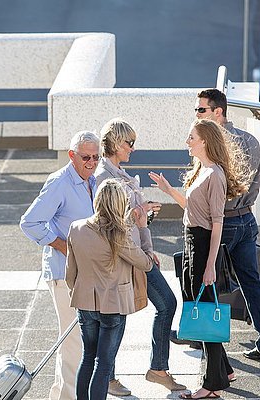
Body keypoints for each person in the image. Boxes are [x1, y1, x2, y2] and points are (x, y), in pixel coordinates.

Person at [150, 119, 251, 399]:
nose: (188, 142)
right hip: (193, 241)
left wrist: (209, 266)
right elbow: (193, 209)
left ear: (204, 140)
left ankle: (212, 386)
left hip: (204, 246)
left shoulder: (215, 175)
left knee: (204, 311)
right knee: (200, 306)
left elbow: (217, 222)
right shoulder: (202, 171)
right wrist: (169, 191)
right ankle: (225, 370)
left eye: (191, 137)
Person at [94, 117, 186, 393]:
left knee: (167, 303)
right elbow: (108, 222)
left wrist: (147, 238)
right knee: (117, 316)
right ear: (113, 143)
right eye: (128, 142)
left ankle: (157, 369)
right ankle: (109, 378)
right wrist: (138, 216)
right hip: (122, 256)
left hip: (137, 253)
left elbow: (137, 220)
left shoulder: (119, 174)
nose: (132, 148)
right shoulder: (103, 177)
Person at [194, 88, 260, 361]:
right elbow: (257, 179)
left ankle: (201, 338)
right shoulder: (251, 141)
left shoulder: (213, 144)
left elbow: (211, 190)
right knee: (252, 282)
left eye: (201, 110)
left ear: (218, 112)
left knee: (204, 278)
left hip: (222, 222)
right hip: (247, 219)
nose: (196, 115)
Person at [20, 130, 100, 400]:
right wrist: (65, 247)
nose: (91, 162)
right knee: (74, 341)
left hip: (87, 273)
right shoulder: (59, 183)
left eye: (96, 157)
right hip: (64, 274)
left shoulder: (93, 180)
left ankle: (61, 395)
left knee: (81, 340)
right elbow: (29, 223)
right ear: (71, 155)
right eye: (85, 157)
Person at [65, 179, 155, 400]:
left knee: (87, 358)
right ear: (119, 204)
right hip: (113, 305)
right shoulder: (119, 234)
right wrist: (144, 230)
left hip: (84, 302)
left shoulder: (76, 228)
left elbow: (70, 274)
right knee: (104, 364)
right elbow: (146, 263)